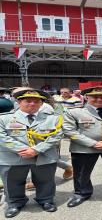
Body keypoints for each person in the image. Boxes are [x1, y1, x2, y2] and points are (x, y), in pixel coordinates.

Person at [0, 89, 63, 218]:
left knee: (45, 180)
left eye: (36, 101)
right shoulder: (4, 119)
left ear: (41, 103)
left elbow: (57, 136)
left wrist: (35, 150)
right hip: (14, 157)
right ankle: (15, 203)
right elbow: (2, 137)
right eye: (28, 101)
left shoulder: (53, 119)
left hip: (43, 156)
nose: (32, 103)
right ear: (19, 102)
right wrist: (22, 150)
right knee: (12, 181)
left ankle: (46, 200)